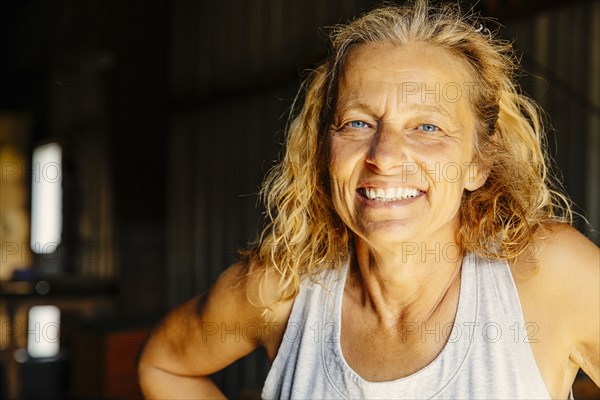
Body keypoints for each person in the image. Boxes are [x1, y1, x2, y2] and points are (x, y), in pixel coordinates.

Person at [138, 1, 599, 398]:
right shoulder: (281, 291)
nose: (384, 156)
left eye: (427, 127)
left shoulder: (550, 278)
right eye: (358, 123)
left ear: (478, 162)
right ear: (325, 149)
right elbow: (164, 365)